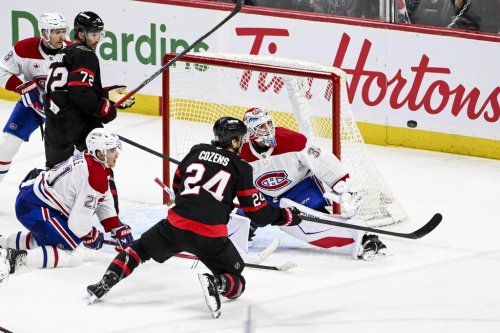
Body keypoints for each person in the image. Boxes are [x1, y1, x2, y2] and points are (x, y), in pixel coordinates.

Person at [85, 117, 302, 318]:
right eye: (242, 139)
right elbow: (258, 213)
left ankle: (104, 283)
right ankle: (218, 284)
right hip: (211, 237)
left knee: (138, 250)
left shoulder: (196, 151)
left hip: (175, 227)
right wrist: (286, 216)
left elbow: (178, 184)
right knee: (237, 279)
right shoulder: (241, 167)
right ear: (235, 141)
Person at [239, 107, 388, 260]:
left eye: (269, 124)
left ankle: (363, 238)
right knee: (235, 224)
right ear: (250, 132)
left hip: (300, 190)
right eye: (261, 127)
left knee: (313, 225)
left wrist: (343, 188)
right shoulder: (239, 150)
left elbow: (322, 161)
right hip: (263, 196)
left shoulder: (292, 140)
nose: (268, 129)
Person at [0, 128, 133, 280]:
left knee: (51, 240)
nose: (116, 153)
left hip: (33, 200)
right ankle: (16, 258)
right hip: (36, 207)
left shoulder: (94, 164)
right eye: (111, 150)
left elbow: (104, 197)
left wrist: (116, 227)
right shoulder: (94, 176)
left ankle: (2, 241)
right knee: (73, 254)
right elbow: (78, 224)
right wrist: (91, 235)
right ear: (99, 153)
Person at [44, 11, 135, 214]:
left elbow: (70, 88)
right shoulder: (86, 54)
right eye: (93, 34)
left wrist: (106, 94)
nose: (97, 39)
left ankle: (55, 218)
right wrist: (106, 110)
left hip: (54, 121)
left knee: (55, 174)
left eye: (99, 34)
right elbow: (80, 92)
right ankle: (114, 223)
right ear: (81, 33)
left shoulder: (64, 52)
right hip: (77, 122)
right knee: (103, 164)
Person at [0, 13, 70, 184]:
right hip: (32, 106)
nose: (62, 36)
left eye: (63, 31)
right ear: (45, 32)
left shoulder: (71, 52)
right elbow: (1, 71)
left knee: (72, 157)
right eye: (56, 32)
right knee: (6, 146)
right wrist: (21, 86)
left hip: (62, 112)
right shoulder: (24, 48)